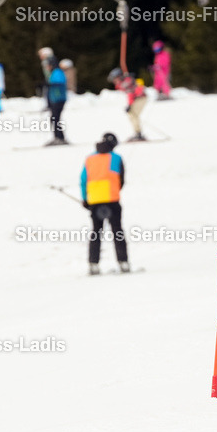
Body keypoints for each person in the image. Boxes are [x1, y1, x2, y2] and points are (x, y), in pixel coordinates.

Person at [80, 133, 130, 275]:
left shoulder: (89, 159)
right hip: (112, 199)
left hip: (94, 201)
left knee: (96, 232)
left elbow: (83, 180)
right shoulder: (116, 158)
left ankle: (93, 265)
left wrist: (85, 199)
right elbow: (121, 180)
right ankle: (124, 263)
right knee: (117, 231)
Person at [109, 68, 148, 142]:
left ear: (118, 77)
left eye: (114, 79)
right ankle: (137, 132)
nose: (114, 81)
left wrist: (129, 105)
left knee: (133, 114)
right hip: (138, 98)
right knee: (132, 114)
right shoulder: (124, 82)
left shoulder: (125, 83)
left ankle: (138, 134)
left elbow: (130, 94)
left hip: (141, 98)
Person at [45, 57, 68, 145]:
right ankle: (58, 137)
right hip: (55, 98)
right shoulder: (54, 72)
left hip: (59, 98)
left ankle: (59, 138)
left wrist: (49, 84)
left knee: (55, 118)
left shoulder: (57, 72)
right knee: (54, 118)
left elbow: (60, 83)